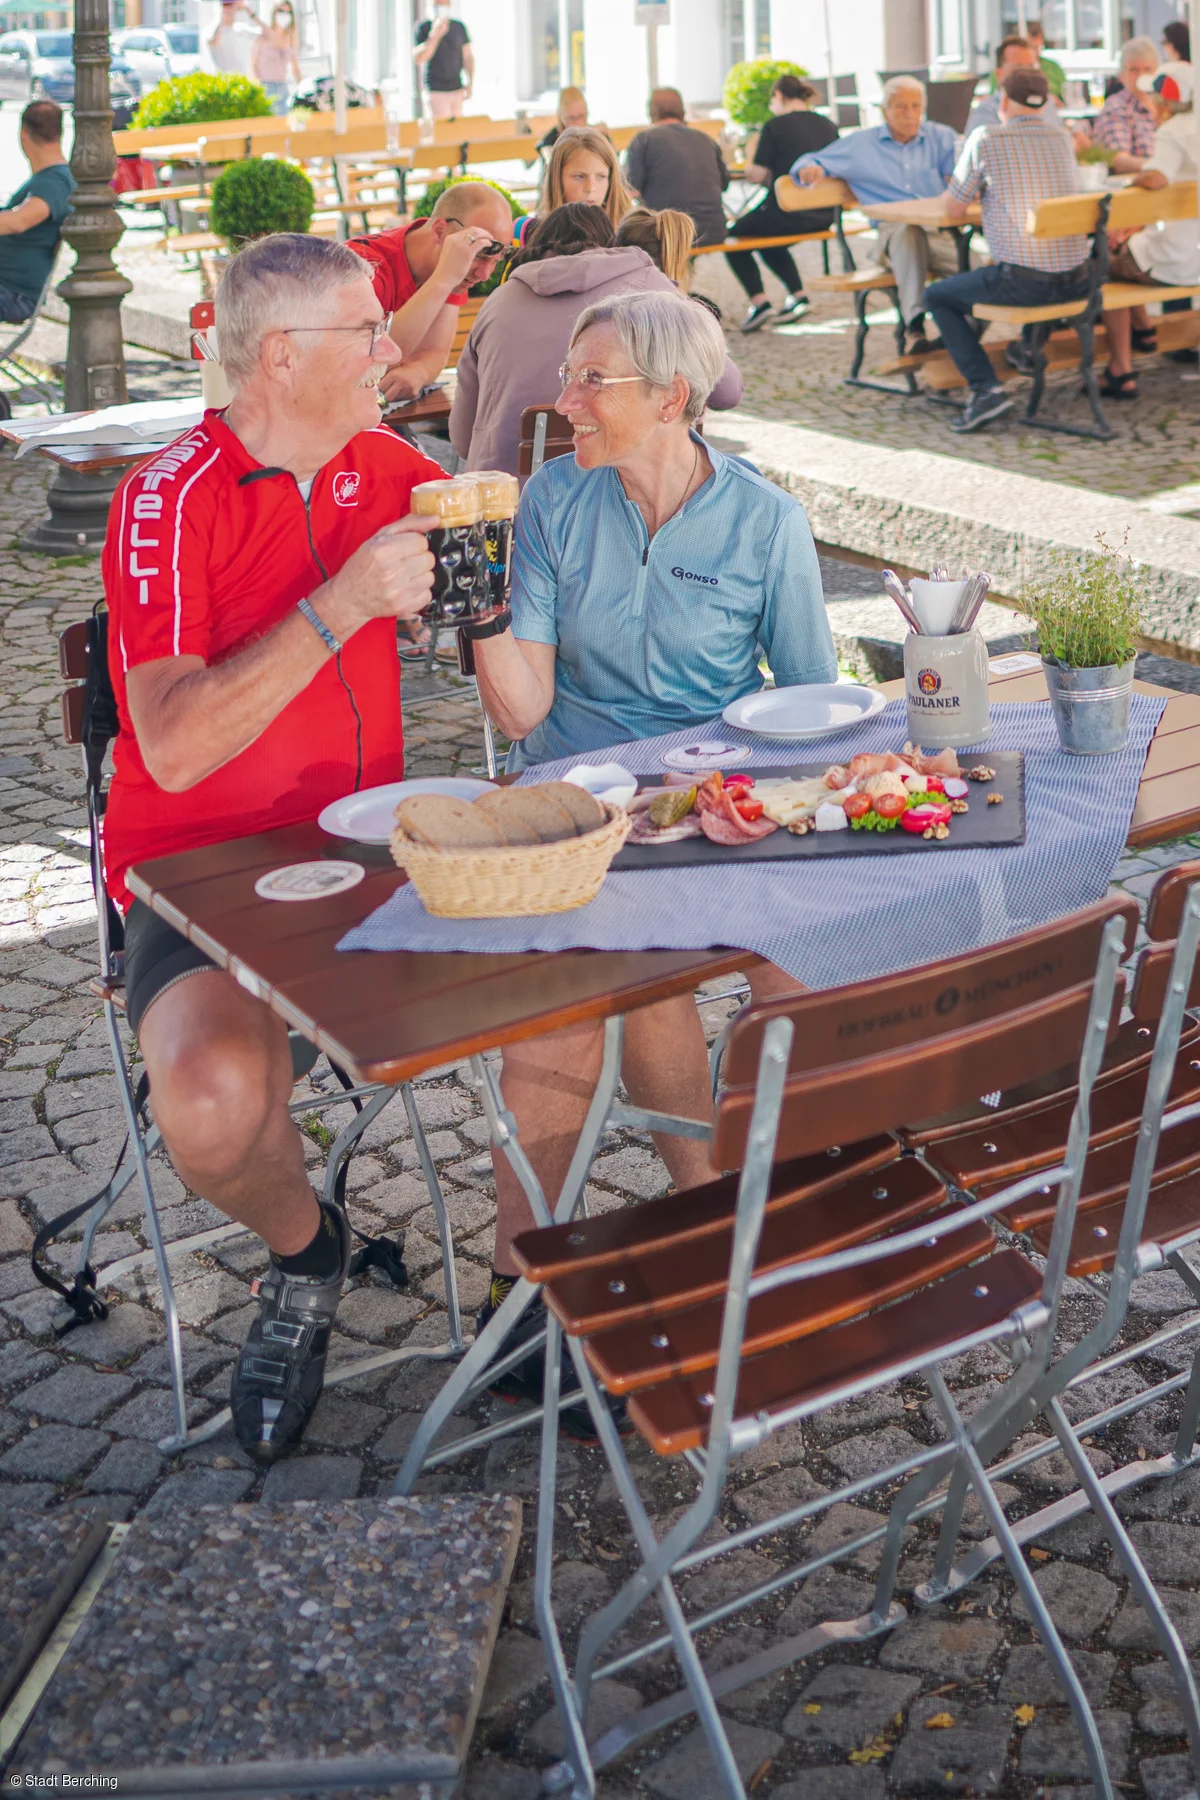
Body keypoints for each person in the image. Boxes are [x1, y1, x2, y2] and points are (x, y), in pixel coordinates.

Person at [99, 234, 442, 1464]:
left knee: (572, 987)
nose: (393, 350)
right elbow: (176, 746)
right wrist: (343, 605)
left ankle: (533, 1298)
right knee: (210, 1105)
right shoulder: (168, 498)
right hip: (199, 871)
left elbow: (504, 571)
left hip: (373, 855)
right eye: (368, 330)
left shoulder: (392, 465)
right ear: (283, 354)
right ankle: (306, 1258)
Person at [469, 289, 831, 1404]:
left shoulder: (765, 521)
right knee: (634, 980)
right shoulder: (552, 501)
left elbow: (813, 703)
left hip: (715, 799)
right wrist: (480, 610)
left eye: (593, 382)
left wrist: (732, 800)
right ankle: (700, 1218)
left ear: (672, 398)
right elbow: (525, 714)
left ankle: (768, 1202)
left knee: (799, 971)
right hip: (581, 807)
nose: (564, 400)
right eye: (569, 377)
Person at [451, 203, 742, 474]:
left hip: (502, 495)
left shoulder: (498, 300)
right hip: (614, 491)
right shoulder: (647, 286)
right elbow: (728, 391)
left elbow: (463, 441)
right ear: (610, 245)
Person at [925, 68, 1091, 433]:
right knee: (1007, 267)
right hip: (1078, 280)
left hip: (1026, 285)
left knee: (937, 296)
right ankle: (1023, 349)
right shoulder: (1062, 137)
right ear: (1045, 103)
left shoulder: (986, 137)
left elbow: (954, 208)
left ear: (1002, 101)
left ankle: (985, 389)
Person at [790, 76, 959, 355]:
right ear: (884, 111)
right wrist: (810, 169)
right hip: (891, 240)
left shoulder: (941, 137)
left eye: (916, 106)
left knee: (984, 274)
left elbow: (962, 176)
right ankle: (914, 325)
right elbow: (810, 160)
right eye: (901, 106)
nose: (910, 113)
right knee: (907, 230)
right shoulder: (862, 145)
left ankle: (957, 342)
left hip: (940, 235)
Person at [348, 181, 513, 404]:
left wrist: (418, 372)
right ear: (440, 231)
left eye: (496, 260)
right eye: (479, 255)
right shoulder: (362, 267)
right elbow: (372, 358)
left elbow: (435, 353)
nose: (485, 275)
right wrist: (444, 278)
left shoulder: (453, 267)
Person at [1099, 66, 1199, 397]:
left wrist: (1132, 182)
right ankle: (1143, 330)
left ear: (1165, 103)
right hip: (1194, 256)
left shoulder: (1172, 131)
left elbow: (1158, 177)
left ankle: (1121, 368)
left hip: (1174, 261)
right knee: (1122, 252)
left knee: (1101, 263)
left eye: (1154, 97)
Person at [724, 74, 837, 332]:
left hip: (789, 214)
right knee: (766, 236)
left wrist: (750, 156)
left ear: (778, 96)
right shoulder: (828, 125)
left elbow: (757, 175)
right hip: (825, 214)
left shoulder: (775, 126)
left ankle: (760, 303)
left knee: (734, 238)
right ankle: (798, 295)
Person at [624, 87, 729, 248]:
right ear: (682, 111)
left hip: (669, 234)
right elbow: (724, 184)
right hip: (714, 231)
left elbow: (630, 191)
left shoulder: (643, 139)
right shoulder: (707, 140)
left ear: (651, 112)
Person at [0, 101, 74, 325]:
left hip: (13, 296)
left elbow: (19, 221)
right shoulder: (53, 179)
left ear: (23, 135)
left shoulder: (55, 181)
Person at [1081, 37, 1160, 170]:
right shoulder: (1115, 108)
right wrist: (1161, 168)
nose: (1141, 75)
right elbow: (1118, 160)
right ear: (1121, 75)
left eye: (1147, 69)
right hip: (1137, 181)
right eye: (1133, 70)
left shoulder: (1165, 104)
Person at [538, 127, 632, 232]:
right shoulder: (536, 234)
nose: (590, 188)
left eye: (601, 177)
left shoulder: (629, 233)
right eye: (579, 177)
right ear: (557, 178)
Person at [966, 35, 1038, 137]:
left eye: (1031, 67)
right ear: (999, 74)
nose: (1026, 74)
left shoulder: (1046, 105)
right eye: (1018, 67)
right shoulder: (985, 113)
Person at [413, 0, 473, 122]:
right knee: (442, 128)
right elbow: (419, 58)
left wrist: (470, 82)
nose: (440, 8)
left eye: (443, 4)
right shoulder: (423, 27)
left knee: (458, 127)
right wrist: (435, 36)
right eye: (437, 5)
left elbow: (467, 57)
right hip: (435, 91)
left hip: (456, 89)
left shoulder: (459, 27)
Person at [252, 2, 300, 115]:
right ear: (274, 13)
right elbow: (253, 65)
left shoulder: (291, 37)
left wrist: (303, 86)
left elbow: (295, 68)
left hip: (283, 87)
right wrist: (258, 88)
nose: (284, 15)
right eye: (281, 11)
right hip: (266, 86)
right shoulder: (264, 35)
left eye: (288, 12)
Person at [538, 85, 596, 152]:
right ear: (561, 117)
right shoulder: (551, 142)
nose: (577, 123)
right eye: (571, 118)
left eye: (581, 116)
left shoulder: (596, 134)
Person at [208, 0, 259, 76]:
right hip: (226, 80)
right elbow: (214, 41)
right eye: (227, 5)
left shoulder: (242, 29)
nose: (231, 9)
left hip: (244, 80)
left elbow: (267, 35)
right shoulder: (212, 31)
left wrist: (248, 11)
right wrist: (224, 13)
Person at [1025, 20, 1067, 100]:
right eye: (1031, 47)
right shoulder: (1014, 70)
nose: (1034, 52)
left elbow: (1064, 91)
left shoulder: (1053, 67)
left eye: (1038, 47)